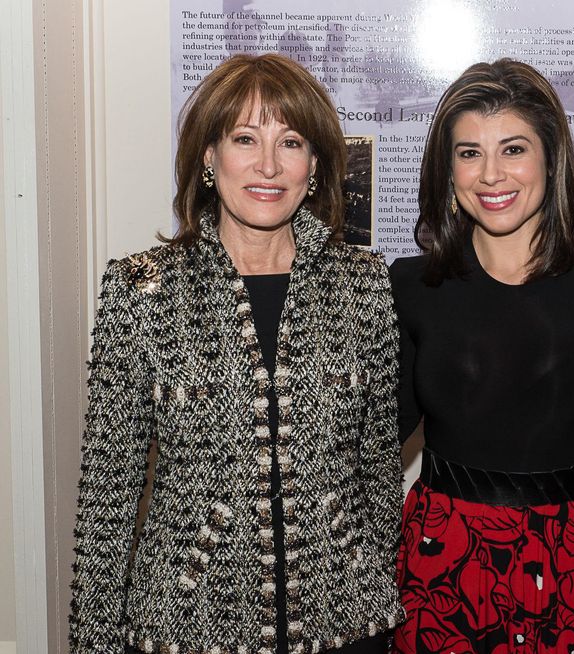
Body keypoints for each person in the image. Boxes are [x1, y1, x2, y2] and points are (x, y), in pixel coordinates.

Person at [69, 53, 403, 654]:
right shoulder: (144, 291)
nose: (268, 165)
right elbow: (107, 503)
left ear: (317, 163)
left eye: (291, 141)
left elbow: (376, 474)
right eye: (245, 139)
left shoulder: (364, 284)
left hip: (344, 623)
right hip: (190, 623)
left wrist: (372, 587)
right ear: (208, 156)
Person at [390, 59, 574, 654]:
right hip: (439, 552)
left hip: (572, 557)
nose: (491, 174)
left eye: (513, 149)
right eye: (469, 153)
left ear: (550, 159)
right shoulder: (408, 286)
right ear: (446, 169)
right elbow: (368, 440)